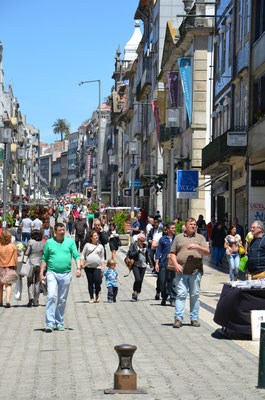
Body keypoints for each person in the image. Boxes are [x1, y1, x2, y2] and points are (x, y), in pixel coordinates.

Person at [40, 223, 81, 332]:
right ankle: (49, 323)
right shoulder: (49, 242)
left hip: (66, 274)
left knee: (62, 299)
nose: (62, 232)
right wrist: (41, 273)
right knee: (51, 296)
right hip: (52, 273)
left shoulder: (70, 242)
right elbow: (45, 258)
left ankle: (59, 322)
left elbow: (76, 255)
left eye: (63, 230)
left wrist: (78, 268)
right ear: (56, 232)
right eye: (60, 230)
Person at [169, 218, 210, 328]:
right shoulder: (178, 238)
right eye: (191, 224)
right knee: (181, 294)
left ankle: (194, 318)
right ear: (186, 226)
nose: (193, 226)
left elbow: (207, 252)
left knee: (195, 295)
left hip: (195, 271)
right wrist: (176, 264)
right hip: (181, 271)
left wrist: (198, 247)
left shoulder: (200, 238)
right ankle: (178, 318)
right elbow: (172, 253)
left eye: (195, 224)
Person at [155, 222, 176, 306]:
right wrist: (156, 263)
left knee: (173, 282)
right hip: (163, 263)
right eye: (172, 228)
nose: (174, 229)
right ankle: (164, 297)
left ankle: (173, 299)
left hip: (174, 264)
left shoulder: (177, 239)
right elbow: (158, 252)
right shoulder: (162, 239)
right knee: (162, 282)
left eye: (174, 228)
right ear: (167, 230)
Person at [81, 230, 104, 303]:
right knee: (90, 282)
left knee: (97, 281)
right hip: (88, 267)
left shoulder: (100, 246)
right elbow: (82, 254)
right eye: (94, 235)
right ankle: (91, 297)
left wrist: (103, 266)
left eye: (97, 235)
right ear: (91, 238)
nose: (96, 236)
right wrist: (81, 263)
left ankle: (97, 294)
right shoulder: (87, 245)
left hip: (97, 267)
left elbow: (102, 257)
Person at [25, 229, 46, 307]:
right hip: (40, 264)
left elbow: (27, 253)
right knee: (37, 283)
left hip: (31, 264)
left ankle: (31, 297)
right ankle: (36, 301)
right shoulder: (43, 243)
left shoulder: (30, 242)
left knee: (30, 282)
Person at [128, 233, 149, 301]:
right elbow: (130, 254)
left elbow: (148, 255)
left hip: (143, 265)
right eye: (141, 240)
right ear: (138, 239)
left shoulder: (145, 246)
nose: (142, 242)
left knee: (141, 281)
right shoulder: (134, 245)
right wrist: (138, 251)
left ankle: (138, 294)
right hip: (135, 265)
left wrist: (151, 264)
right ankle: (134, 292)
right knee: (138, 279)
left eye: (143, 241)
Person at [0, 231, 18, 308]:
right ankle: (7, 300)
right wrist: (16, 266)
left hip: (0, 267)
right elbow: (15, 258)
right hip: (9, 267)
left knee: (0, 285)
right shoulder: (13, 246)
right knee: (8, 285)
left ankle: (0, 301)